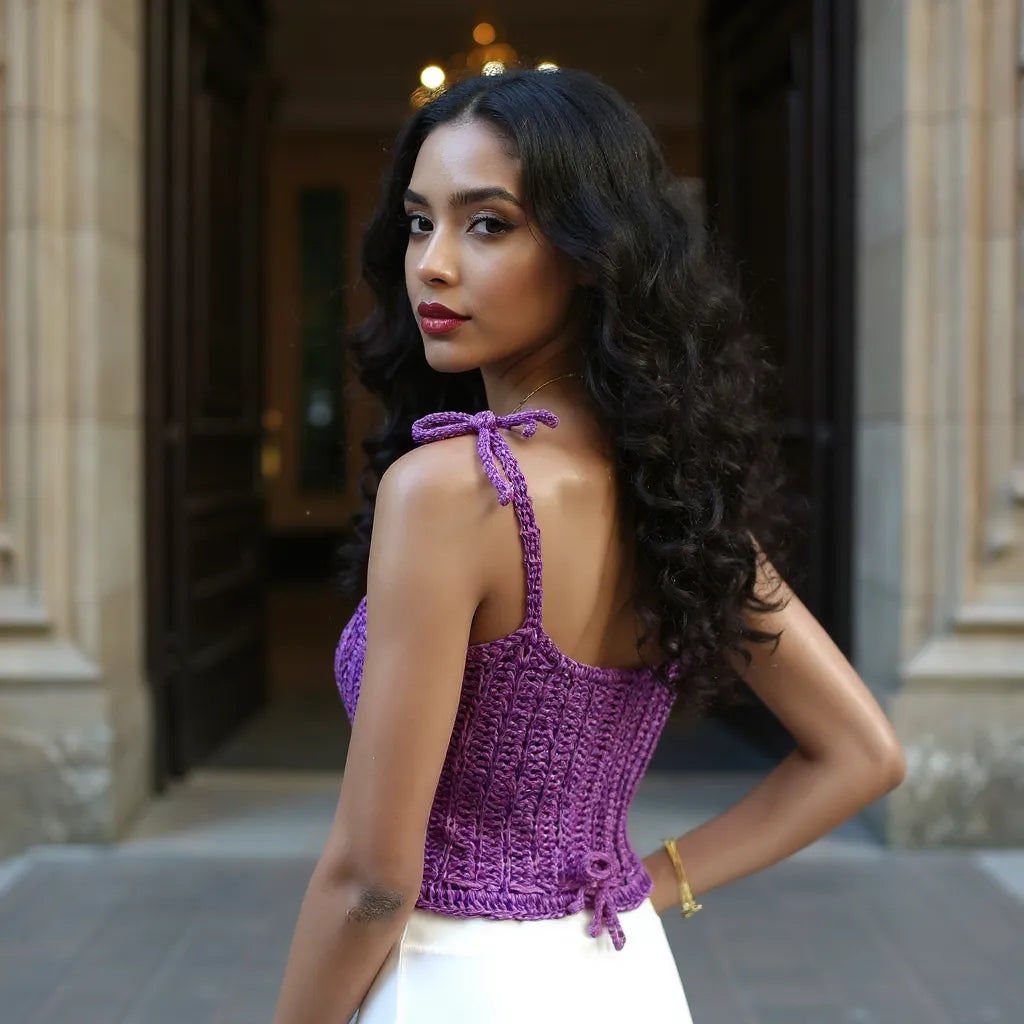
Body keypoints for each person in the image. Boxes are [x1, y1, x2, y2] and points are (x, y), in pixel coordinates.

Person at [273, 67, 906, 1024]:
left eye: (488, 224)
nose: (432, 265)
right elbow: (863, 753)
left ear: (589, 251)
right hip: (621, 977)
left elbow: (371, 879)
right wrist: (657, 882)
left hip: (454, 982)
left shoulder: (452, 491)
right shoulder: (676, 494)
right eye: (418, 221)